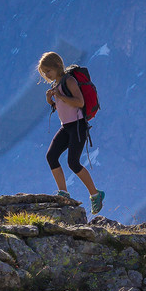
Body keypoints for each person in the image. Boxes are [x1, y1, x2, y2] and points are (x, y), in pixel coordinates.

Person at [39, 51, 105, 216]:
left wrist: (59, 95)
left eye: (48, 71)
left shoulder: (69, 80)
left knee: (73, 163)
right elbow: (64, 108)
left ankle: (95, 194)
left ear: (57, 66)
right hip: (66, 126)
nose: (46, 75)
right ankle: (63, 194)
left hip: (77, 126)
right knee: (51, 156)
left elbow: (79, 102)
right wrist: (51, 101)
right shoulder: (57, 84)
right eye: (44, 72)